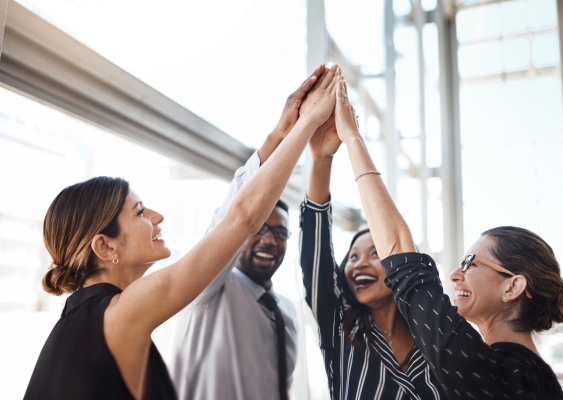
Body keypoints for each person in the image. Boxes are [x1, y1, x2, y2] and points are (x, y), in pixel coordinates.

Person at [24, 64, 341, 400]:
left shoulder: (81, 321)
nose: (157, 217)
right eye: (141, 212)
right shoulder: (121, 313)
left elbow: (232, 218)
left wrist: (279, 134)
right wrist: (307, 124)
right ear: (104, 246)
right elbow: (241, 218)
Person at [333, 77, 563, 399]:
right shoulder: (537, 376)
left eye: (470, 263)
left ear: (512, 286)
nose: (455, 274)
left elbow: (403, 262)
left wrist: (353, 138)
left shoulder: (489, 371)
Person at [168, 67, 341, 400]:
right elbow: (235, 214)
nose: (269, 239)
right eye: (260, 229)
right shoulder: (208, 288)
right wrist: (280, 134)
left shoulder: (287, 313)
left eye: (279, 233)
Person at [299, 110, 446, 399]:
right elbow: (314, 252)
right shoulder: (340, 326)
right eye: (352, 256)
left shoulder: (436, 335)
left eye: (375, 254)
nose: (359, 263)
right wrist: (321, 159)